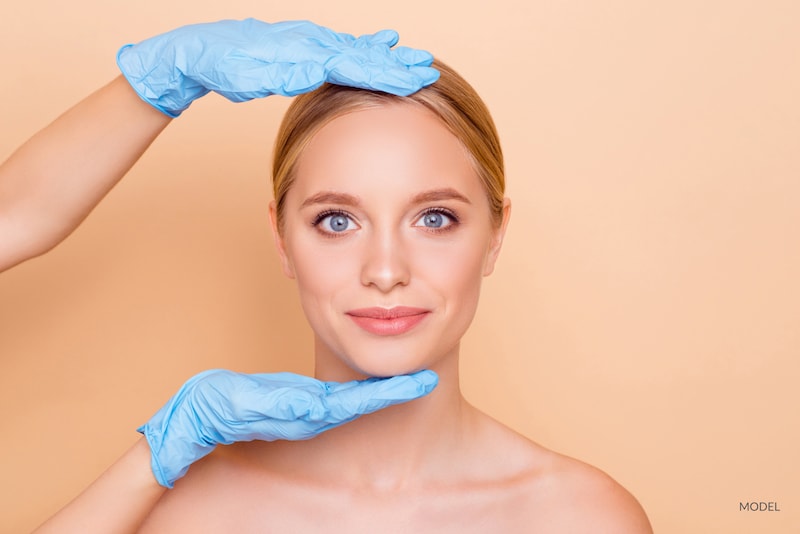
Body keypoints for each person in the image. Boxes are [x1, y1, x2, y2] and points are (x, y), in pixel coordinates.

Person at [0, 19, 652, 532]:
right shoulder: (186, 515)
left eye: (435, 218)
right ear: (281, 239)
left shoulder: (582, 518)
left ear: (496, 235)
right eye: (338, 221)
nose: (387, 271)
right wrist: (148, 462)